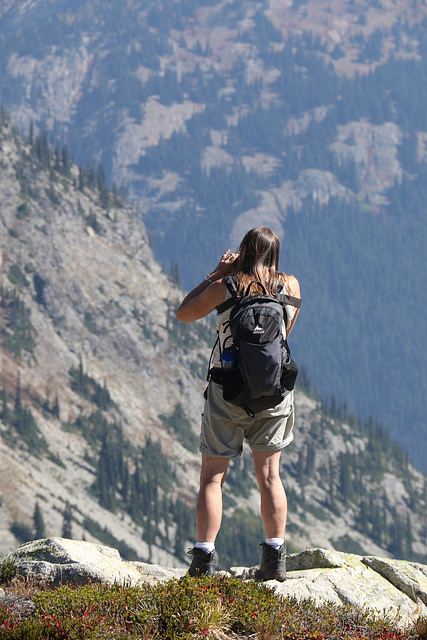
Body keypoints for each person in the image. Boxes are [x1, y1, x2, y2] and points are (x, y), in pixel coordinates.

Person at [176, 227, 301, 581]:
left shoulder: (226, 287)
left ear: (244, 251)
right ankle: (275, 557)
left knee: (212, 478)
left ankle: (203, 560)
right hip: (274, 393)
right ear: (275, 254)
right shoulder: (290, 287)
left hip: (228, 391)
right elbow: (284, 337)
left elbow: (183, 313)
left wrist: (215, 274)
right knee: (270, 476)